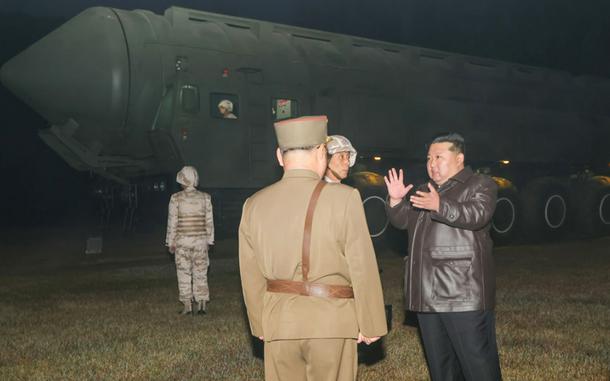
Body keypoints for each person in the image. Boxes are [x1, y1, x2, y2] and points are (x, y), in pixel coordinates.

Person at [239, 116, 387, 381]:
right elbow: (361, 265)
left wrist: (259, 323)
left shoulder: (253, 204)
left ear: (279, 156)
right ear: (321, 152)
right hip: (331, 321)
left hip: (279, 323)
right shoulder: (345, 198)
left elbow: (250, 273)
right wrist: (371, 322)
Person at [384, 133, 502, 381]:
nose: (432, 164)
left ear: (459, 159)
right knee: (442, 370)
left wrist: (440, 206)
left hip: (462, 295)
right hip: (426, 295)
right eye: (429, 158)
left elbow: (477, 215)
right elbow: (404, 220)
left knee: (478, 368)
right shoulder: (425, 190)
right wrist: (396, 201)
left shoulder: (481, 184)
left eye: (439, 157)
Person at [166, 166, 214, 315]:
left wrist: (170, 242)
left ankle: (187, 305)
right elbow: (209, 222)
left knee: (184, 273)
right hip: (200, 242)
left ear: (182, 180)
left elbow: (172, 222)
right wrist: (210, 241)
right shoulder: (205, 197)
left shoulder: (176, 198)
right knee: (201, 272)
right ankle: (201, 305)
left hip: (182, 244)